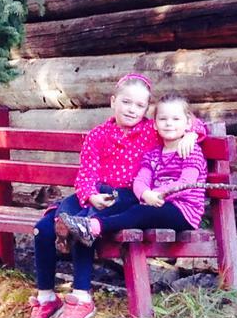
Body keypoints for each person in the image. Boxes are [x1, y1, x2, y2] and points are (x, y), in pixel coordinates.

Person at [24, 74, 207, 318]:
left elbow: (181, 121)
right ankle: (46, 298)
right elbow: (86, 174)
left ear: (146, 110)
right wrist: (89, 194)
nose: (132, 110)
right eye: (126, 102)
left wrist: (193, 133)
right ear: (113, 101)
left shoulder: (151, 130)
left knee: (85, 222)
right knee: (44, 227)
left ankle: (82, 298)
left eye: (139, 105)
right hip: (96, 194)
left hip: (125, 196)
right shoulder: (97, 135)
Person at [59, 93, 208, 248]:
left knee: (141, 212)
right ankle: (83, 227)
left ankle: (92, 227)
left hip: (183, 211)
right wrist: (145, 193)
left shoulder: (191, 151)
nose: (169, 124)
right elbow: (141, 180)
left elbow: (186, 184)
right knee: (135, 207)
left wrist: (158, 193)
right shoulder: (153, 154)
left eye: (176, 119)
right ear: (155, 124)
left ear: (188, 123)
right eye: (163, 119)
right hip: (156, 204)